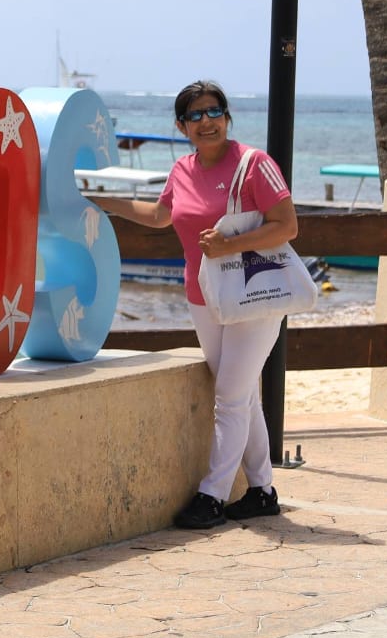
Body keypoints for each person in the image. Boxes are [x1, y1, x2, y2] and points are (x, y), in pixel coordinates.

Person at [99, 80, 298, 529]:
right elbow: (158, 215)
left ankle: (212, 495)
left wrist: (231, 245)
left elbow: (287, 226)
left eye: (214, 112)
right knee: (241, 395)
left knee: (228, 397)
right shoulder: (181, 170)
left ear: (227, 118)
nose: (206, 122)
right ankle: (262, 489)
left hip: (255, 295)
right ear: (181, 125)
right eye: (195, 116)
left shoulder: (254, 164)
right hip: (202, 298)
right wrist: (97, 201)